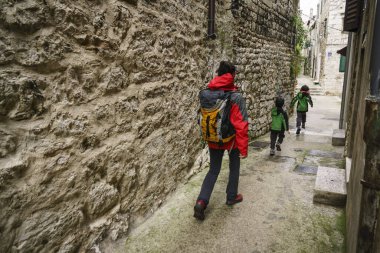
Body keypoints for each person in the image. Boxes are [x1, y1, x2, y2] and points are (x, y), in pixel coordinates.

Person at [194, 61, 249, 221]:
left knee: (213, 170)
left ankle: (201, 201)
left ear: (218, 74)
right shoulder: (235, 97)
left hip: (213, 139)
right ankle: (231, 197)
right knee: (234, 167)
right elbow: (242, 125)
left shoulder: (206, 94)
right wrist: (243, 149)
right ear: (232, 75)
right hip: (231, 140)